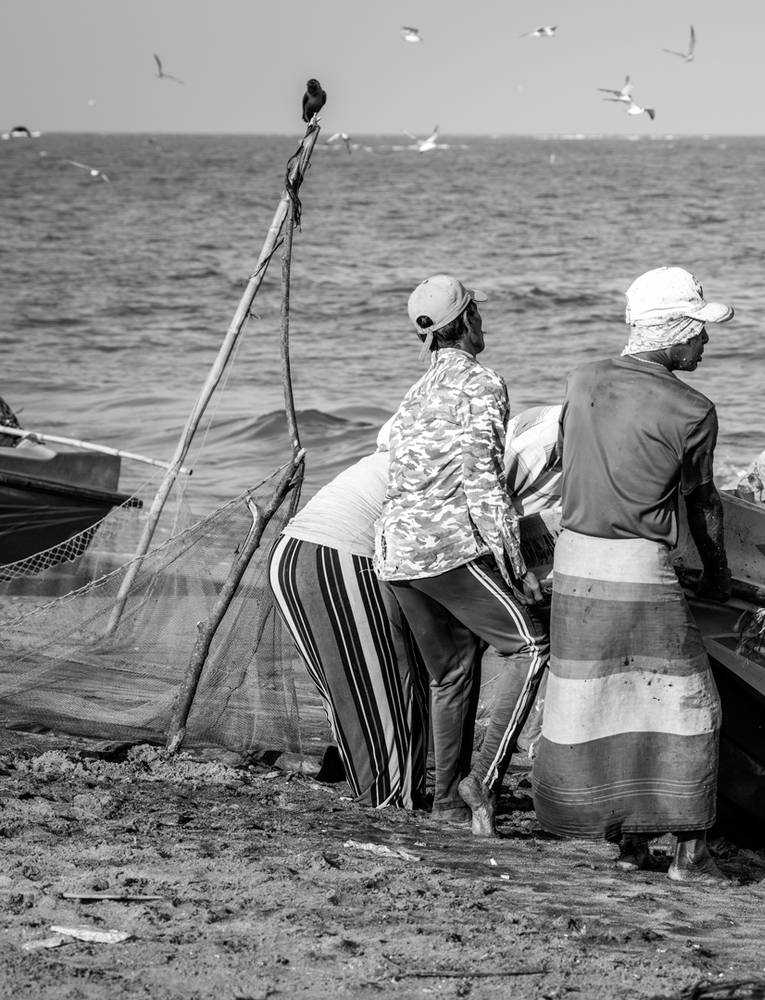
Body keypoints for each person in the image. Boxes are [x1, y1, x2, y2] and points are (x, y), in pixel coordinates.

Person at [530, 265, 735, 885]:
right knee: (690, 705)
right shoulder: (693, 409)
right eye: (697, 329)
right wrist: (718, 573)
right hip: (637, 568)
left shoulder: (581, 379)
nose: (705, 340)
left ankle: (628, 842)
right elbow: (702, 502)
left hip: (575, 565)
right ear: (671, 330)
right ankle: (691, 854)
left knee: (606, 700)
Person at [375, 274, 550, 838]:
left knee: (449, 675)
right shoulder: (482, 382)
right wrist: (516, 566)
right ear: (467, 320)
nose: (482, 320)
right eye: (477, 311)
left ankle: (448, 805)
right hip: (446, 548)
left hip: (396, 551)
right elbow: (483, 479)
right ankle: (482, 780)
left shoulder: (415, 393)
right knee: (531, 645)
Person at [268, 418, 427, 809]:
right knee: (382, 704)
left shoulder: (397, 458)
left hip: (297, 558)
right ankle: (388, 803)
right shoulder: (473, 459)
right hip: (333, 562)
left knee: (368, 697)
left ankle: (390, 793)